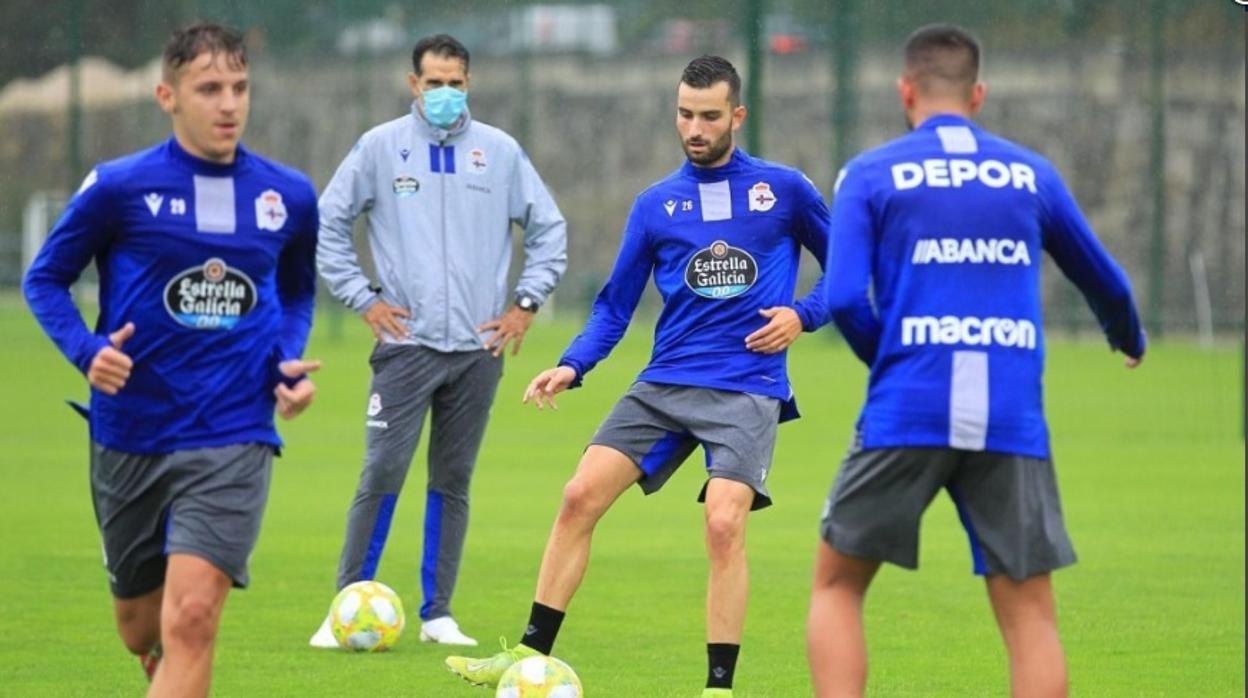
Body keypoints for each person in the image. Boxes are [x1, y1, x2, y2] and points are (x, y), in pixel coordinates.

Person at [445, 55, 833, 698]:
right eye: (685, 114)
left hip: (747, 384)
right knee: (578, 497)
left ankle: (718, 687)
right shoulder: (656, 204)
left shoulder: (785, 190)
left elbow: (849, 265)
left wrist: (804, 314)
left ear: (737, 115)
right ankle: (527, 658)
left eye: (709, 115)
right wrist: (572, 364)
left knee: (723, 523)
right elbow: (614, 306)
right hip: (665, 383)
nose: (695, 127)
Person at [808, 24, 1146, 698]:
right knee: (1030, 617)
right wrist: (1126, 336)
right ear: (979, 94)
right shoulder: (1031, 174)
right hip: (1009, 413)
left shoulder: (869, 173)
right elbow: (1107, 282)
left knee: (838, 585)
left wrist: (893, 360)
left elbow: (844, 296)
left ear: (905, 91)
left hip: (908, 405)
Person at [22, 22, 320, 696]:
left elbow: (298, 291)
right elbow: (45, 279)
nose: (228, 104)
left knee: (192, 616)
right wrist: (87, 351)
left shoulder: (290, 197)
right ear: (167, 95)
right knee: (140, 625)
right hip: (131, 431)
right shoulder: (118, 188)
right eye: (209, 88)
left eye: (239, 88)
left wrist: (285, 364)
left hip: (233, 431)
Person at [311, 33, 568, 648]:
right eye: (435, 83)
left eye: (456, 83)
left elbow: (549, 230)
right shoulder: (380, 148)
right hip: (405, 346)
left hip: (479, 351)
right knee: (382, 472)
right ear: (413, 85)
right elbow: (327, 224)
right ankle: (346, 604)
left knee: (453, 481)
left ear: (469, 84)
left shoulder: (500, 154)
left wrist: (524, 306)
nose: (446, 94)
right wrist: (364, 300)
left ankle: (438, 614)